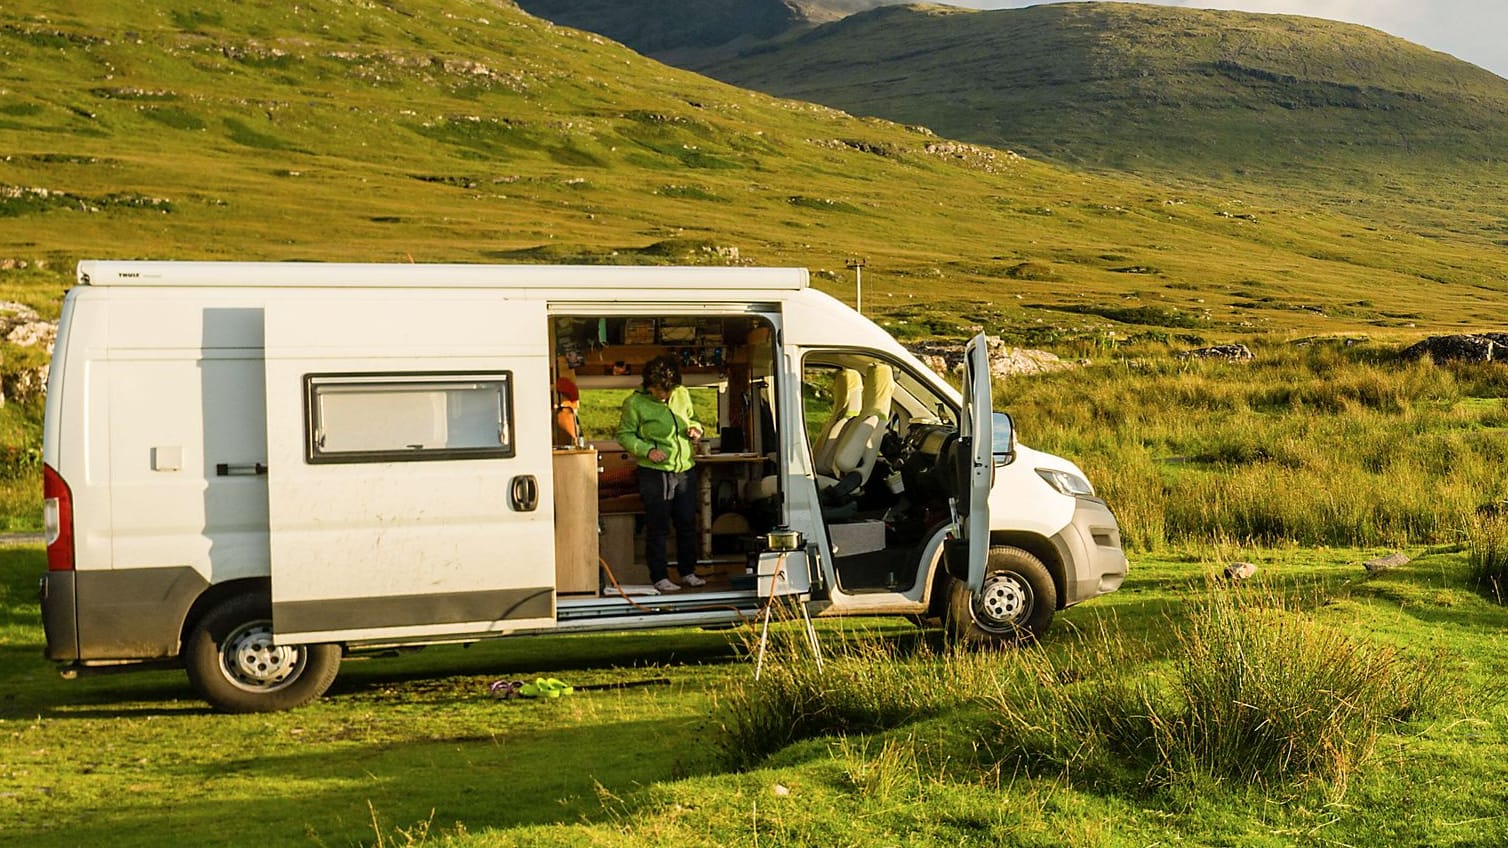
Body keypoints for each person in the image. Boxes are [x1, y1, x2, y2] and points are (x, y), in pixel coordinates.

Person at [616, 355, 707, 592]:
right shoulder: (634, 403)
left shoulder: (682, 393)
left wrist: (697, 429)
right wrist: (647, 450)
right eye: (659, 391)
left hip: (685, 469)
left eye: (668, 390)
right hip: (655, 473)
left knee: (687, 522)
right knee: (658, 526)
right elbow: (624, 435)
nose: (664, 395)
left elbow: (693, 418)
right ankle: (659, 577)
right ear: (648, 385)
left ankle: (688, 572)